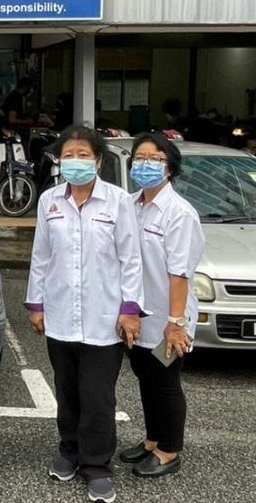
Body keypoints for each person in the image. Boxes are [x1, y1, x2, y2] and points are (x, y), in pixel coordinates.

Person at [24, 125, 144, 503]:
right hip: (60, 314)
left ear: (99, 161)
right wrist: (35, 303)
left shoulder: (118, 201)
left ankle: (97, 465)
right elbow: (41, 255)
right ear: (59, 160)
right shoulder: (49, 200)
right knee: (66, 390)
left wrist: (130, 309)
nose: (75, 161)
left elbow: (131, 259)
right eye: (68, 155)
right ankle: (69, 451)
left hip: (103, 319)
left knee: (97, 397)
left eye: (83, 155)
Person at [120, 133, 204, 478]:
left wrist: (175, 322)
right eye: (140, 158)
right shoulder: (130, 205)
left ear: (170, 167)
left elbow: (179, 273)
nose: (146, 165)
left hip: (170, 317)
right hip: (138, 315)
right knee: (146, 378)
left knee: (165, 382)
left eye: (155, 159)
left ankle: (169, 450)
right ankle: (153, 439)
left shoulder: (179, 213)